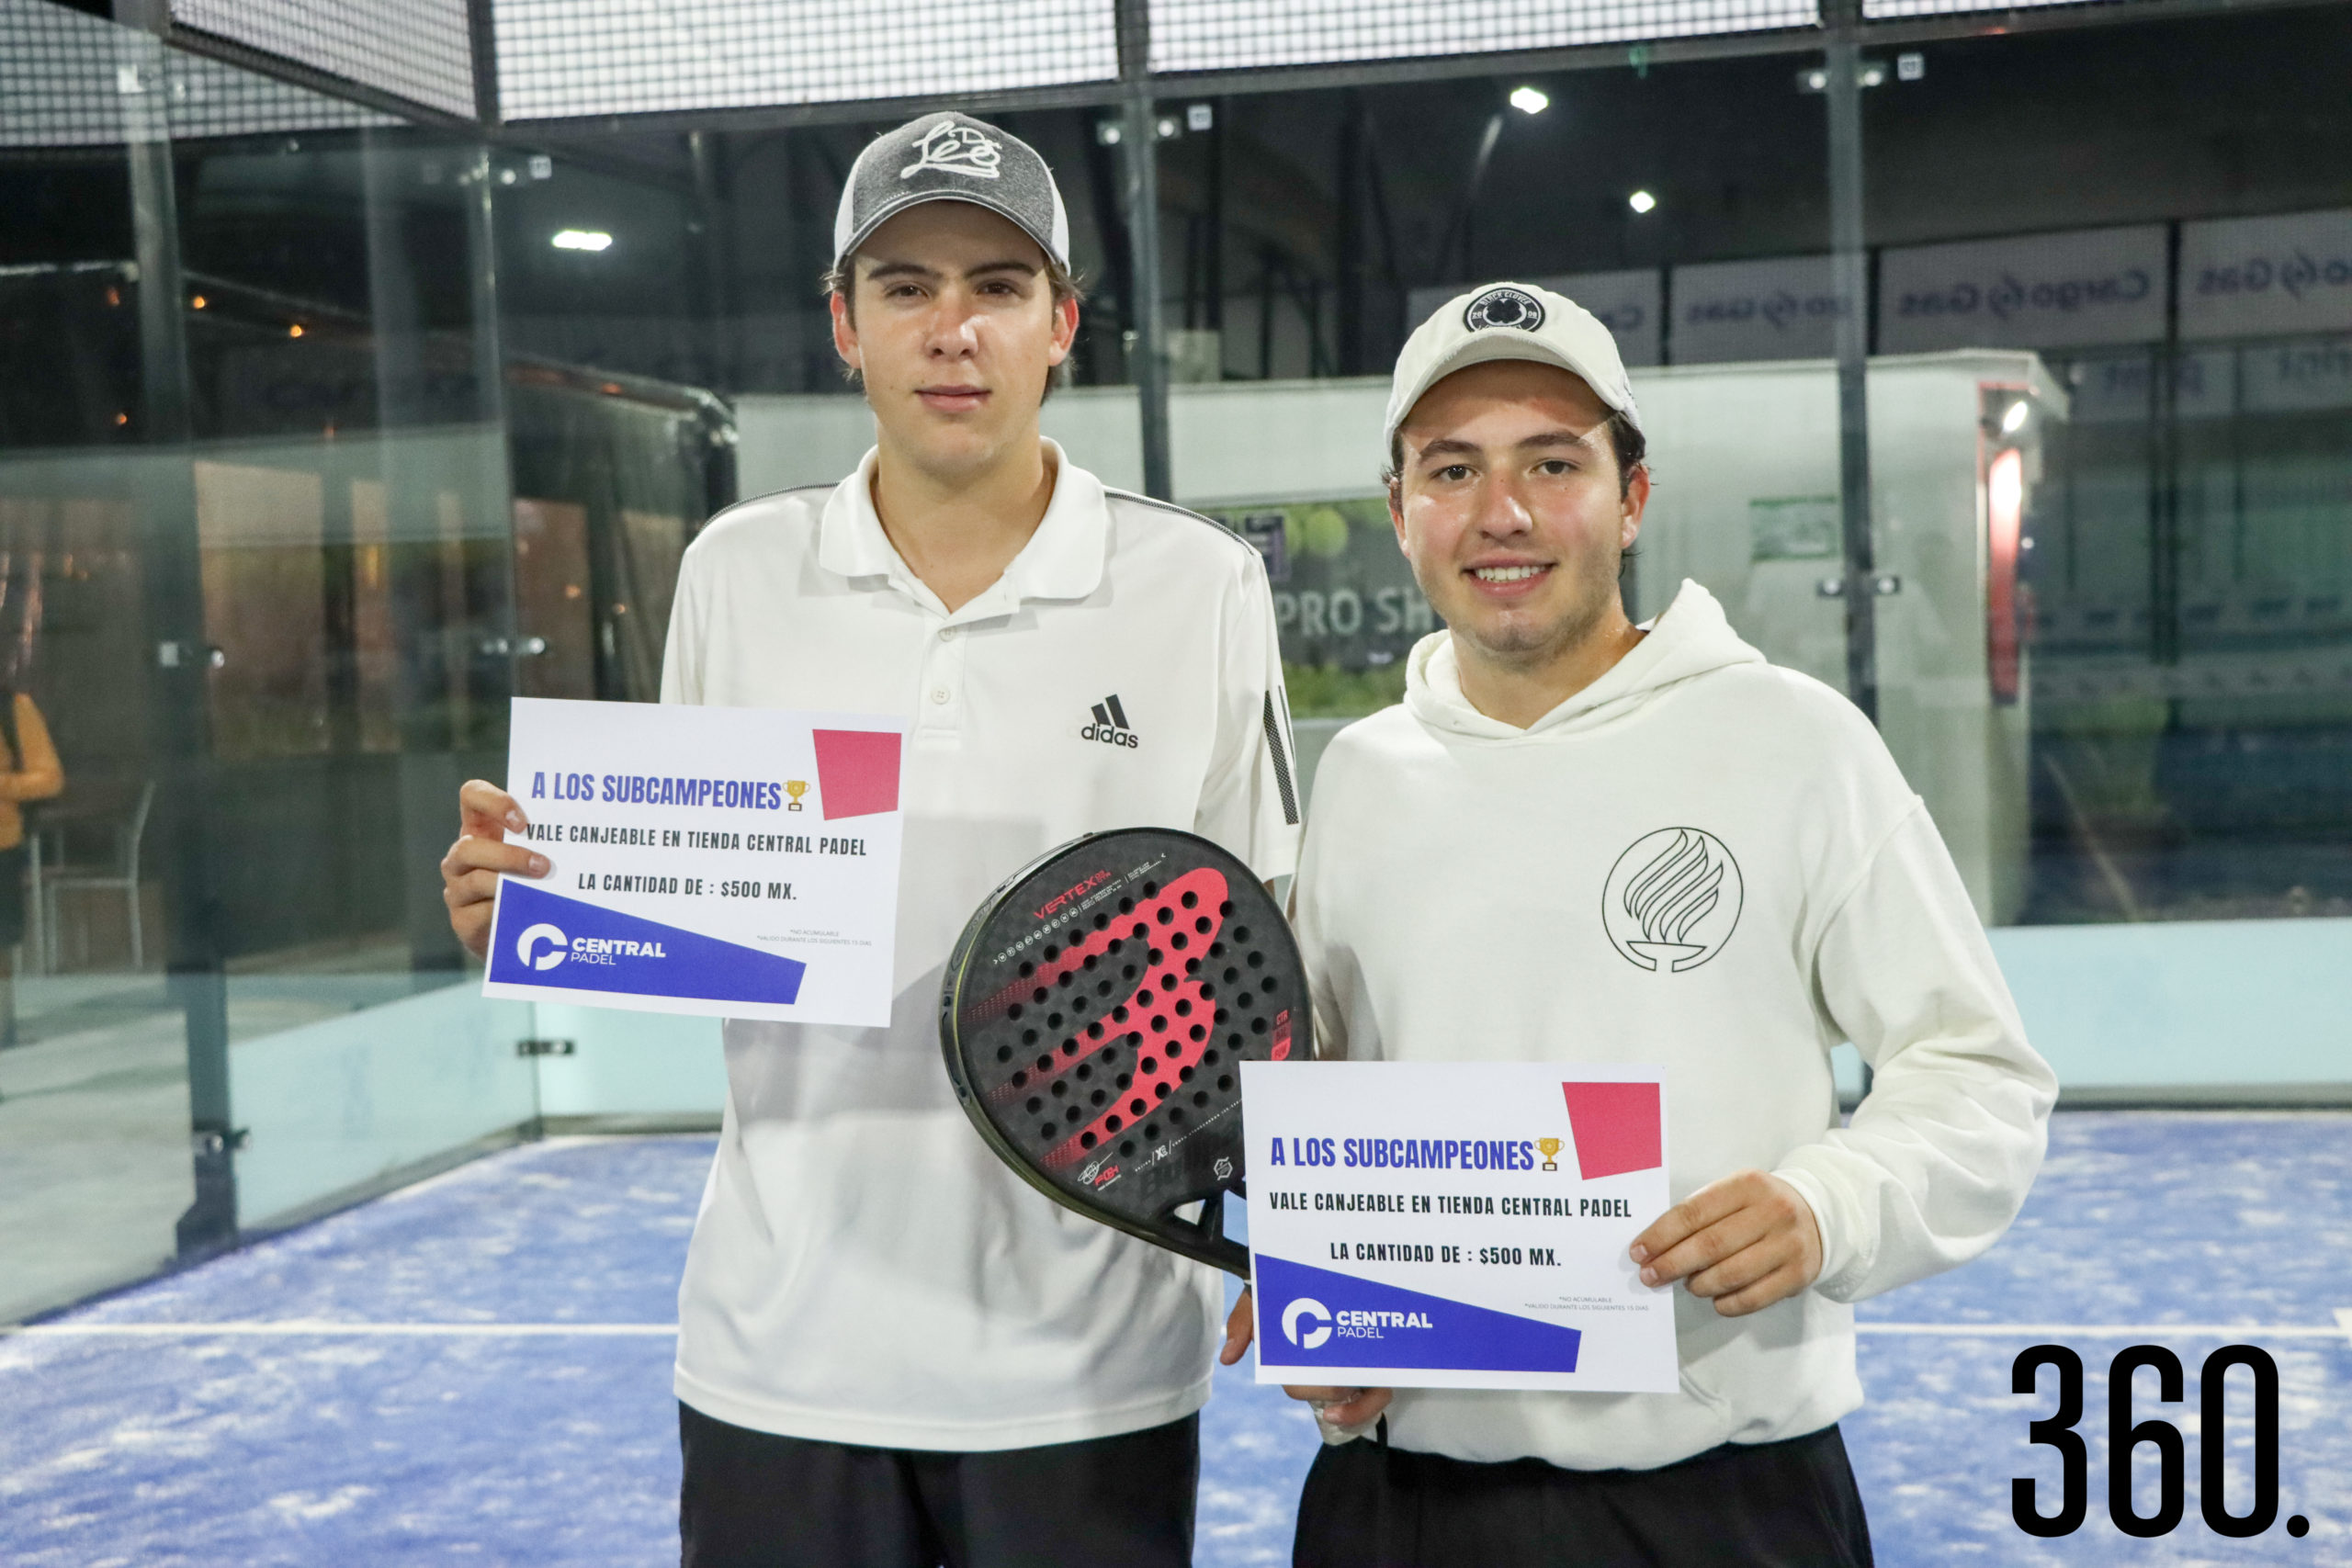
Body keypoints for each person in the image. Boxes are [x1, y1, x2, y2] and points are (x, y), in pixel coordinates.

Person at [439, 112, 1300, 1567]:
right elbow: (694, 902)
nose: (951, 330)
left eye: (997, 288)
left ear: (1063, 324)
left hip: (1085, 1359)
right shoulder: (737, 570)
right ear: (845, 324)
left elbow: (1264, 941)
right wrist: (534, 902)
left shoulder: (1197, 582)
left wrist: (1301, 1230)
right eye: (905, 287)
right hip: (782, 1345)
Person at [1229, 282, 2056, 1565]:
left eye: (1551, 462)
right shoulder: (1361, 779)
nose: (1501, 513)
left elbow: (1979, 1075)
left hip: (1725, 1503)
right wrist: (1317, 1282)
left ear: (1633, 494)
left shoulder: (1795, 741)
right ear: (1401, 513)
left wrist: (1824, 1203)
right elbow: (1327, 1087)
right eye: (1452, 469)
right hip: (1399, 1504)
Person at [0, 684, 64, 1050]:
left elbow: (49, 778)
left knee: (1, 944)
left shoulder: (13, 707)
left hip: (1, 844)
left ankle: (3, 1030)